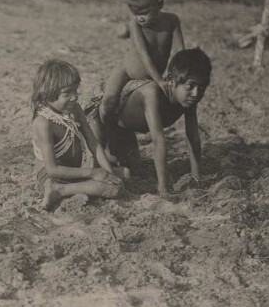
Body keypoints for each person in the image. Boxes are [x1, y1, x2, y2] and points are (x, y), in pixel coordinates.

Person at [87, 48, 211, 201]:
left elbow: (192, 136)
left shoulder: (189, 100)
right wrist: (163, 188)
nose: (196, 94)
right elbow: (158, 140)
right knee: (91, 170)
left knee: (133, 168)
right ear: (172, 81)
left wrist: (196, 175)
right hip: (96, 116)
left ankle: (111, 159)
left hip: (122, 129)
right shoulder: (151, 93)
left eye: (201, 88)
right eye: (190, 86)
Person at [31, 59, 126, 209]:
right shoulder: (44, 123)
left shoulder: (74, 109)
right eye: (67, 93)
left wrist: (108, 173)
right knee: (114, 189)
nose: (74, 97)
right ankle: (58, 190)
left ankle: (73, 188)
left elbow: (93, 143)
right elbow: (52, 169)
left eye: (75, 90)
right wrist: (92, 173)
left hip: (74, 172)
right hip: (53, 177)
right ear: (47, 94)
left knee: (123, 175)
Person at [100, 0, 185, 126]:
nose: (140, 18)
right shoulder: (135, 25)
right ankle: (108, 132)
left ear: (160, 4)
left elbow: (180, 52)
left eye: (144, 13)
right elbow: (144, 55)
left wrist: (177, 76)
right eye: (136, 13)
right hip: (126, 71)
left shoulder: (172, 21)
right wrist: (159, 80)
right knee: (108, 105)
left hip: (153, 75)